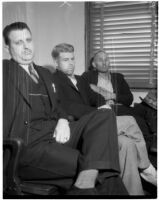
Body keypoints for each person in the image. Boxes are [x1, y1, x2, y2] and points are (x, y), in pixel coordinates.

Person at [3, 22, 128, 196]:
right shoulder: (4, 71)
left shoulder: (45, 73)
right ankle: (85, 182)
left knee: (105, 114)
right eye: (18, 43)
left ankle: (86, 179)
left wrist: (62, 119)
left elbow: (59, 106)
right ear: (7, 47)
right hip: (29, 147)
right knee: (103, 169)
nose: (26, 47)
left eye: (28, 40)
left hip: (57, 133)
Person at [51, 43, 157, 194]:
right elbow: (66, 106)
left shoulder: (80, 80)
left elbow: (97, 97)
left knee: (127, 144)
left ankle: (133, 193)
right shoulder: (53, 80)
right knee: (130, 121)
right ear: (56, 62)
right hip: (78, 127)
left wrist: (104, 104)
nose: (71, 63)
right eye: (65, 60)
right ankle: (147, 168)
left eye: (72, 59)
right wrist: (98, 112)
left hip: (95, 122)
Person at [82, 50, 153, 150]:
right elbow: (87, 95)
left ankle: (154, 137)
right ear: (94, 64)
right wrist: (104, 100)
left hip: (122, 107)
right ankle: (151, 142)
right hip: (106, 109)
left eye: (106, 59)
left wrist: (112, 95)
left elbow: (129, 98)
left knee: (147, 109)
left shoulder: (118, 77)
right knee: (139, 120)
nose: (104, 62)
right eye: (100, 60)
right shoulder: (87, 76)